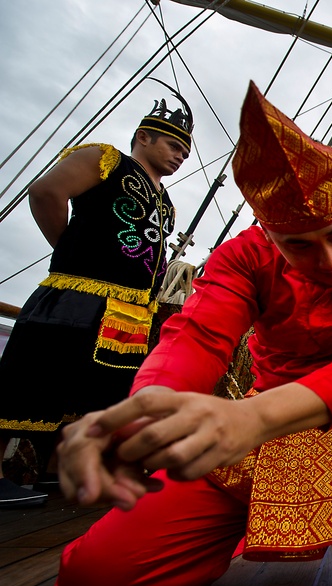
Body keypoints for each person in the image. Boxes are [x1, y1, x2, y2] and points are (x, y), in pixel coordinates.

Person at [53, 83, 332, 586]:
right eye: (298, 244)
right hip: (256, 429)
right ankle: (214, 539)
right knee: (91, 580)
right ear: (269, 235)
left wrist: (253, 417)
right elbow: (198, 336)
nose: (329, 260)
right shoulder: (243, 258)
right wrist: (144, 415)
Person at [0, 88, 193, 507]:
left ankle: (55, 474)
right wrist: (67, 249)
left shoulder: (166, 202)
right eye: (174, 145)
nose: (180, 156)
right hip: (79, 296)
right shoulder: (106, 159)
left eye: (185, 152)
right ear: (144, 136)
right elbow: (46, 193)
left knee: (94, 392)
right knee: (39, 379)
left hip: (130, 313)